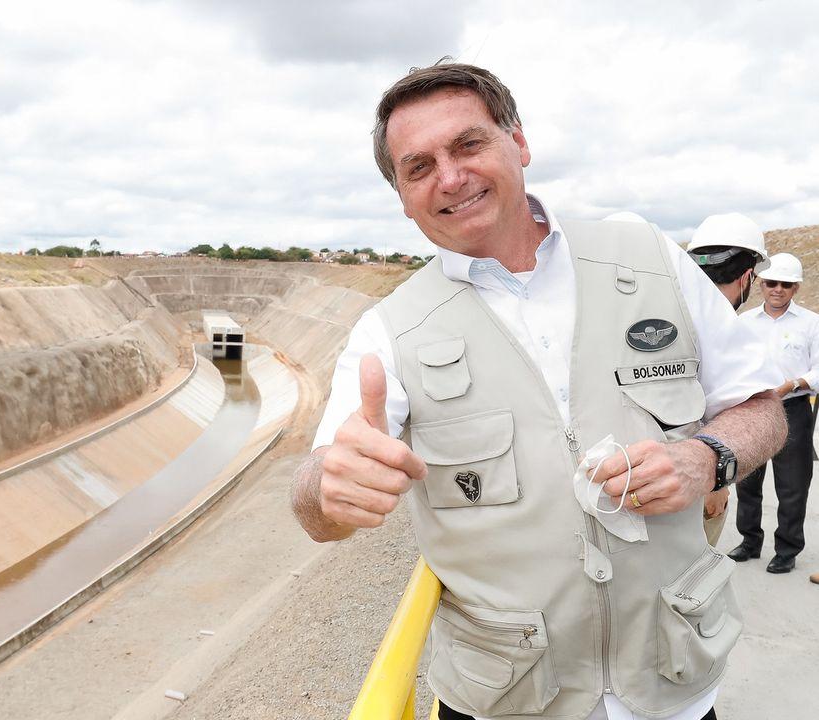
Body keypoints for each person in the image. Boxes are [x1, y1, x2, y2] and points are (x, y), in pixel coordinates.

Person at [291, 61, 786, 720]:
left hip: (675, 688)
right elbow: (316, 495)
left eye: (468, 144)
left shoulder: (649, 256)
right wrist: (327, 488)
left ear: (517, 143)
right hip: (508, 701)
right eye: (419, 167)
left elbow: (761, 408)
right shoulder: (387, 333)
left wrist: (707, 458)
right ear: (403, 195)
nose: (451, 177)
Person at [683, 212, 773, 544]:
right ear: (748, 277)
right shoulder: (725, 328)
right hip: (698, 478)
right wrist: (716, 481)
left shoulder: (663, 309)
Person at [731, 252, 819, 574]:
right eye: (771, 283)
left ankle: (787, 549)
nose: (777, 289)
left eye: (785, 284)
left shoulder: (811, 323)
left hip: (792, 408)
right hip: (751, 408)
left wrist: (795, 383)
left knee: (792, 485)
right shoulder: (743, 323)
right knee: (747, 481)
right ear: (761, 284)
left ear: (795, 288)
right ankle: (749, 541)